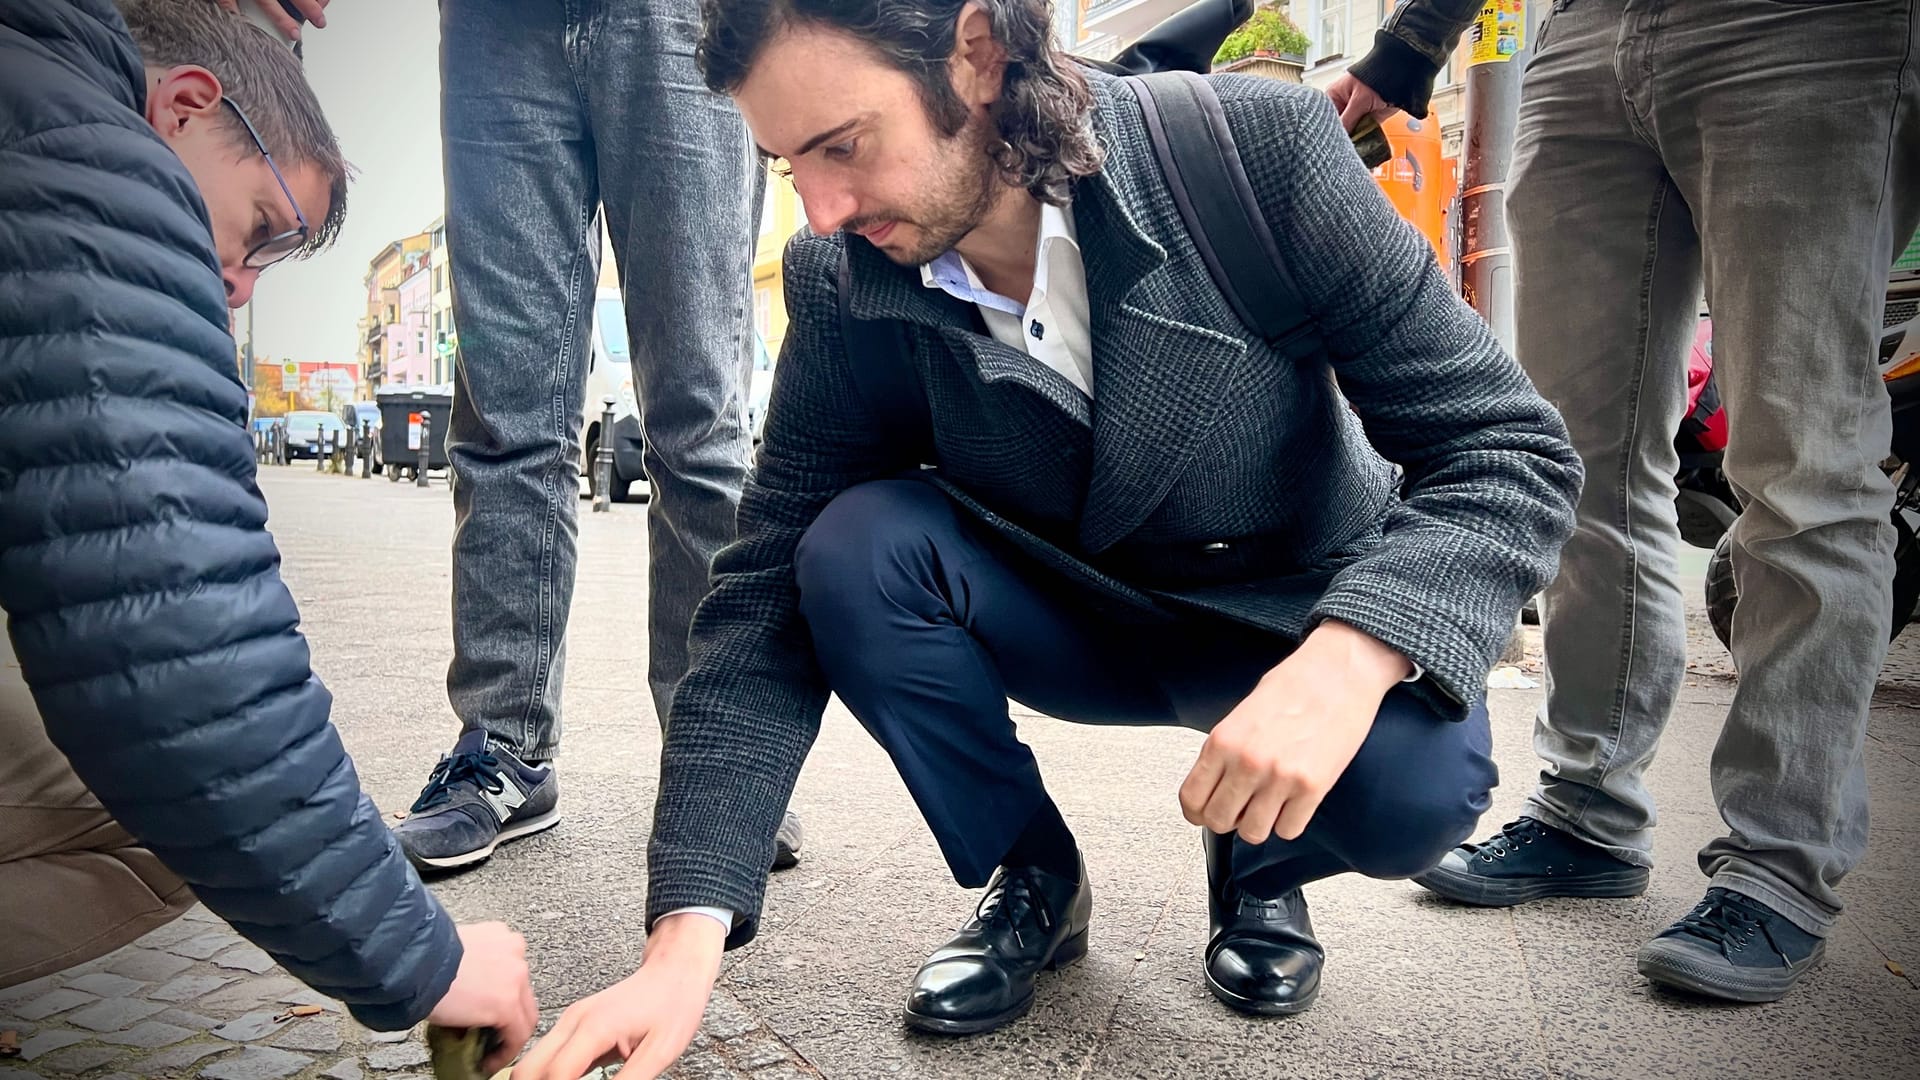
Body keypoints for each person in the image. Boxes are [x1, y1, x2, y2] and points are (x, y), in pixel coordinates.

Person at [508, 2, 1584, 1076]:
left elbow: (1506, 447)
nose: (824, 209)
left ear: (977, 53)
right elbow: (760, 598)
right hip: (1070, 611)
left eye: (843, 147)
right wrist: (684, 938)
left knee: (1419, 791)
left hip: (1287, 614)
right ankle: (1036, 875)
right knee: (844, 549)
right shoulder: (841, 282)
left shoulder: (1256, 153)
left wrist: (1351, 658)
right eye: (790, 165)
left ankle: (1258, 863)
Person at [1330, 0, 1919, 1003]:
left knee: (1802, 464)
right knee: (1578, 461)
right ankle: (1587, 812)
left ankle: (1781, 866)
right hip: (1587, 36)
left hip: (1812, 30)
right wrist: (1410, 44)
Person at [0, 1, 536, 1065]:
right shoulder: (79, 146)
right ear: (187, 104)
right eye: (260, 230)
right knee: (152, 800)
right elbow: (175, 642)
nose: (240, 285)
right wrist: (417, 955)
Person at [384, 0, 805, 874]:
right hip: (495, 28)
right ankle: (503, 746)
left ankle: (720, 762)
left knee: (699, 419)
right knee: (505, 418)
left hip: (678, 20)